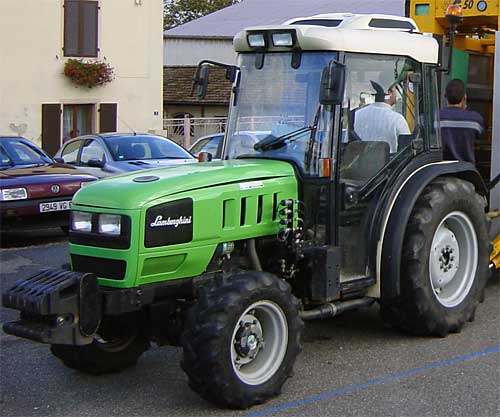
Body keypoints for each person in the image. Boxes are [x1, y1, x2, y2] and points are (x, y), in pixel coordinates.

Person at [354, 81, 411, 153]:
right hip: (390, 163)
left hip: (359, 163)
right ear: (390, 92)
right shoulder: (397, 119)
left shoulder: (357, 115)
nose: (396, 94)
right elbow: (407, 149)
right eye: (395, 90)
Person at [440, 79, 484, 164]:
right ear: (464, 97)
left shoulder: (436, 117)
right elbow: (479, 136)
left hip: (442, 170)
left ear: (445, 96)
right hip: (467, 171)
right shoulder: (476, 119)